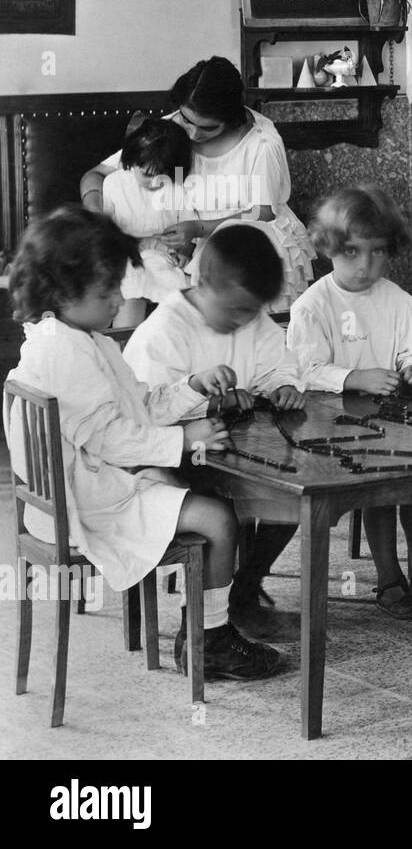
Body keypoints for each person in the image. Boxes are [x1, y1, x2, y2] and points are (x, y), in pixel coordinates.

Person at [3, 206, 281, 679]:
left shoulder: (76, 339)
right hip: (86, 505)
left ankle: (206, 630)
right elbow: (111, 438)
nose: (119, 298)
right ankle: (209, 638)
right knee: (218, 517)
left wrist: (191, 386)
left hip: (80, 491)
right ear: (63, 290)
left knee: (201, 500)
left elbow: (139, 408)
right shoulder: (66, 352)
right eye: (107, 290)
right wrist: (183, 440)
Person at [122, 224, 305, 640]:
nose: (245, 321)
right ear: (204, 283)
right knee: (218, 505)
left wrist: (284, 385)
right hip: (161, 460)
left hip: (225, 450)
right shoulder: (166, 327)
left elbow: (280, 361)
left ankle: (242, 592)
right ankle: (207, 620)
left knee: (291, 495)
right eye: (237, 310)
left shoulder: (249, 314)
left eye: (251, 311)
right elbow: (143, 415)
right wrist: (206, 403)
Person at [287, 186, 412, 619]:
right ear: (328, 248)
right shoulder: (313, 305)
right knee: (379, 494)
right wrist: (353, 377)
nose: (366, 266)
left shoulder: (396, 299)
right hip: (335, 426)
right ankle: (388, 580)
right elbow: (303, 369)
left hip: (396, 420)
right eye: (352, 253)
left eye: (378, 253)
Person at [79, 56, 316, 311]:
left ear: (231, 117)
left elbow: (263, 212)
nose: (192, 133)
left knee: (230, 264)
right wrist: (96, 215)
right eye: (187, 119)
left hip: (247, 230)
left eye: (208, 128)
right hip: (185, 235)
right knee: (134, 274)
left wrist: (200, 228)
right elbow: (95, 175)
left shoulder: (261, 144)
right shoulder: (171, 129)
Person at [100, 117, 195, 327]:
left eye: (162, 177)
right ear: (131, 161)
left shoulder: (178, 188)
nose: (155, 183)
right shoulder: (114, 184)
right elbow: (107, 234)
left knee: (172, 292)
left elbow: (189, 232)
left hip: (162, 257)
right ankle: (124, 346)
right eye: (147, 175)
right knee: (130, 284)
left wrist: (184, 252)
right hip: (125, 257)